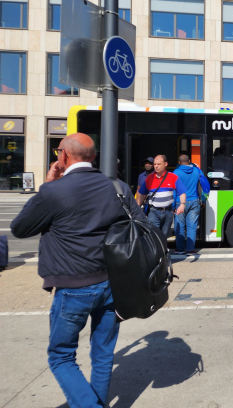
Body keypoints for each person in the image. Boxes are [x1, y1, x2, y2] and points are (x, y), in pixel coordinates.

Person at [10, 133, 146, 408]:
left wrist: (47, 184)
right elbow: (140, 224)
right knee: (104, 354)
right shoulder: (117, 187)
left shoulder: (54, 191)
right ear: (94, 157)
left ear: (63, 156)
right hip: (112, 284)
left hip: (73, 286)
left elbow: (20, 228)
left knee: (61, 356)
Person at [137, 155, 187, 238]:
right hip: (153, 211)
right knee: (154, 235)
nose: (156, 166)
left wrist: (182, 204)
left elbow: (182, 192)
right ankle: (155, 251)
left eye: (159, 164)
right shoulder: (149, 178)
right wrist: (138, 207)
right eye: (155, 164)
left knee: (164, 235)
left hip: (168, 211)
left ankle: (163, 250)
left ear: (165, 164)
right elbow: (142, 194)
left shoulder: (173, 177)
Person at [173, 154, 210, 256]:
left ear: (179, 162)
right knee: (192, 226)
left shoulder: (176, 173)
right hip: (195, 201)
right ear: (189, 161)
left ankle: (180, 249)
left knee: (180, 226)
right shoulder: (197, 171)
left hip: (179, 202)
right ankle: (190, 250)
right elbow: (203, 185)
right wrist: (202, 201)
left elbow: (174, 190)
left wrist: (172, 206)